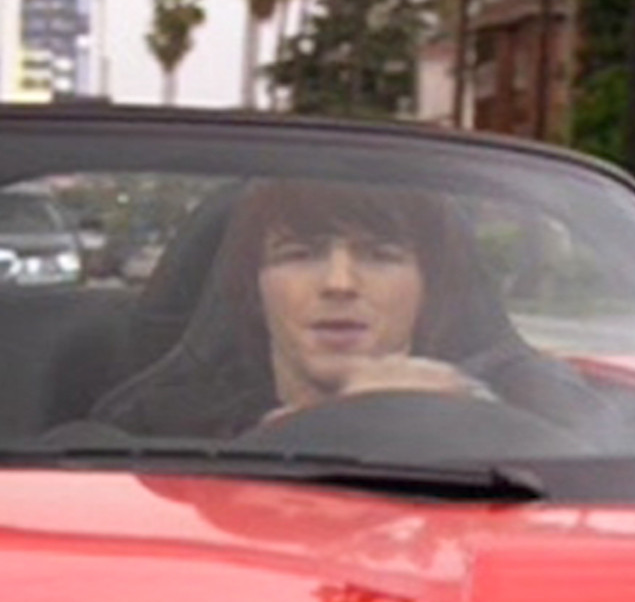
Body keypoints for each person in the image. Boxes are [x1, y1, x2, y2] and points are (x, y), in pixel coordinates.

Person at [91, 177, 605, 439]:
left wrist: (472, 418)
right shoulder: (157, 425)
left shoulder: (532, 407)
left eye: (381, 256)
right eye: (300, 254)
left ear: (429, 287)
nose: (339, 283)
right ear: (253, 286)